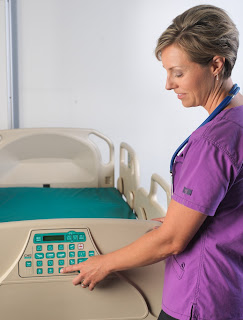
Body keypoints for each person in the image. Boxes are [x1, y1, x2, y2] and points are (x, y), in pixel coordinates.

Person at [61, 5, 243, 320]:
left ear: (216, 64)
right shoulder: (237, 119)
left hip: (200, 299)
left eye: (178, 72)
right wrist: (179, 217)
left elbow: (173, 240)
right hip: (231, 291)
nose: (169, 84)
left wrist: (103, 263)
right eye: (166, 72)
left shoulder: (213, 143)